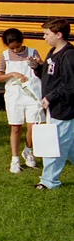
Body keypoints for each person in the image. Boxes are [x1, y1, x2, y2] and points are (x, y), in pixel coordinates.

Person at [30, 19, 74, 190]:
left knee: (56, 145)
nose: (44, 37)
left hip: (64, 107)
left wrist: (51, 97)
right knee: (69, 145)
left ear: (59, 34)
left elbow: (70, 85)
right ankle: (49, 180)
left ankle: (49, 182)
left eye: (47, 34)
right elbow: (50, 77)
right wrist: (37, 67)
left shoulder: (69, 55)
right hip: (54, 107)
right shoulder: (53, 52)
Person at [0, 28, 42, 174]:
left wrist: (36, 63)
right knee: (16, 127)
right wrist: (13, 74)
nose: (15, 50)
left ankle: (28, 150)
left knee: (33, 126)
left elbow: (41, 68)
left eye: (18, 46)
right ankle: (14, 159)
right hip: (14, 95)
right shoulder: (5, 56)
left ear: (22, 41)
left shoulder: (33, 52)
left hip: (32, 94)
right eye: (12, 48)